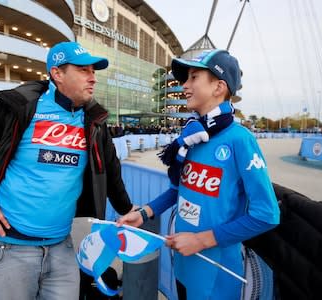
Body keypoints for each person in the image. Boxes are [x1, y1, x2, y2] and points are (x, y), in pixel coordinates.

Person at [0, 41, 133, 300]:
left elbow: (110, 167)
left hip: (61, 248)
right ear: (57, 74)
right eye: (84, 70)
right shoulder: (21, 105)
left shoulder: (92, 119)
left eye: (94, 72)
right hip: (7, 248)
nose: (93, 78)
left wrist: (127, 210)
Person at [118, 49, 280, 299]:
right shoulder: (194, 136)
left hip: (218, 274)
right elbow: (178, 190)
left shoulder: (240, 139)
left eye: (194, 77)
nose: (185, 85)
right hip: (183, 265)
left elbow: (267, 215)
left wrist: (202, 240)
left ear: (219, 87)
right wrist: (144, 213)